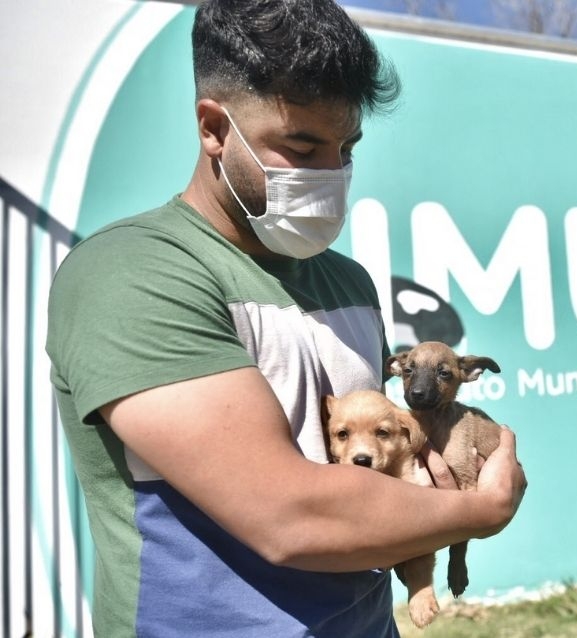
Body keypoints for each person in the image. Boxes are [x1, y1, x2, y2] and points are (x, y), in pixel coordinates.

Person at [44, 0, 527, 635]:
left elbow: (380, 467)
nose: (332, 173)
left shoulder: (349, 282)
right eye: (303, 146)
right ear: (214, 128)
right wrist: (483, 508)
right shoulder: (133, 274)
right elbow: (289, 518)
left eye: (346, 148)